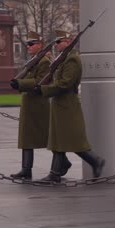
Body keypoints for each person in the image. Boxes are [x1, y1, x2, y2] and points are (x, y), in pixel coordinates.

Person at [34, 29, 105, 183]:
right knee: (60, 140)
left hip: (68, 104)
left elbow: (65, 83)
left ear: (68, 41)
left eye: (59, 42)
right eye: (56, 42)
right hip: (60, 104)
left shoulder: (72, 59)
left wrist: (44, 89)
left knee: (72, 140)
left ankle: (95, 161)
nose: (56, 44)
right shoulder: (64, 58)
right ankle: (56, 173)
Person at [9, 31, 71, 179]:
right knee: (26, 139)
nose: (28, 47)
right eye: (27, 44)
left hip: (39, 105)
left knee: (48, 139)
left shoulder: (43, 62)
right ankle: (26, 169)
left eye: (31, 44)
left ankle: (63, 162)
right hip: (29, 103)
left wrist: (20, 83)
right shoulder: (34, 60)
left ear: (40, 45)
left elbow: (40, 81)